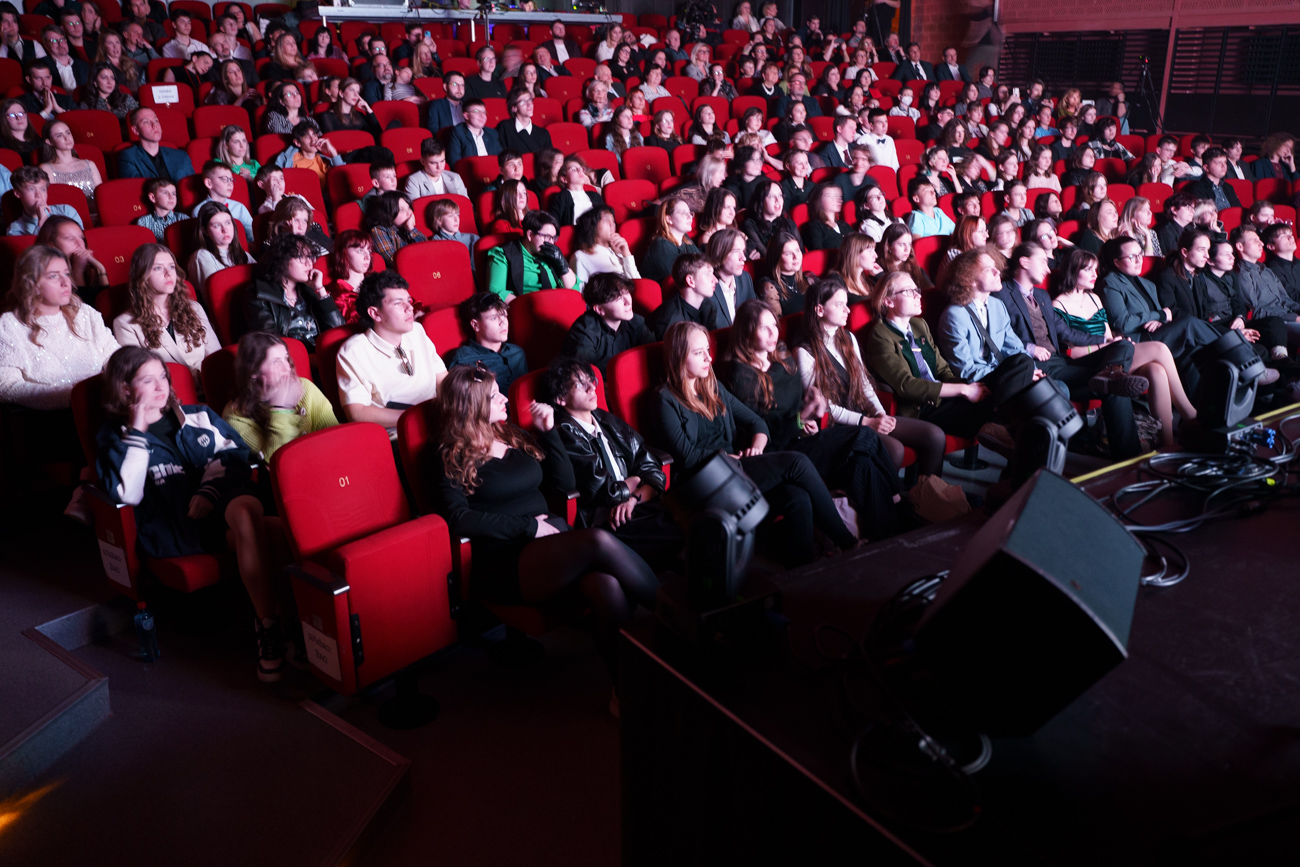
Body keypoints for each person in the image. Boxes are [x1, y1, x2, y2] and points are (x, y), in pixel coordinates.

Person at [431, 363, 658, 699]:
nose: (504, 399)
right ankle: (675, 616)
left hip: (549, 545)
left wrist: (549, 432)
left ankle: (626, 694)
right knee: (598, 540)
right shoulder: (451, 455)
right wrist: (528, 527)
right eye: (494, 397)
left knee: (605, 585)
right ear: (471, 406)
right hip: (505, 559)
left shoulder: (509, 434)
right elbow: (458, 518)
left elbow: (564, 484)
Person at [95, 346, 290, 681]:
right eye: (147, 380)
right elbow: (127, 493)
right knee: (281, 534)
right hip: (175, 527)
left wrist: (209, 490)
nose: (161, 386)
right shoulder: (116, 436)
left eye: (163, 377)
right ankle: (288, 628)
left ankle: (269, 627)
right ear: (125, 389)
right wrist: (138, 429)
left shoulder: (198, 415)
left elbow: (238, 456)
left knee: (247, 510)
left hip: (223, 507)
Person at [650, 319, 858, 564]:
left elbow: (757, 423)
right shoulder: (665, 399)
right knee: (796, 462)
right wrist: (729, 458)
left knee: (797, 496)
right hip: (705, 482)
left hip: (735, 470)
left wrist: (757, 449)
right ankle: (849, 544)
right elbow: (688, 457)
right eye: (698, 353)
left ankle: (801, 572)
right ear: (679, 357)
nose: (708, 358)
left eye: (707, 350)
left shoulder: (714, 388)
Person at [718, 299, 906, 540]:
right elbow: (760, 431)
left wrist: (806, 415)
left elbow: (794, 408)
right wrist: (801, 418)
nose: (773, 332)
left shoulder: (782, 357)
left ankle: (888, 538)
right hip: (777, 455)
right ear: (746, 333)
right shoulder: (739, 376)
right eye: (764, 327)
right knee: (865, 436)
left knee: (863, 465)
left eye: (774, 325)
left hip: (801, 440)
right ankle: (899, 500)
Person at [995, 241, 1148, 455]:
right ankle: (1130, 456)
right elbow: (997, 337)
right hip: (1038, 367)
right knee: (1115, 387)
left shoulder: (1041, 295)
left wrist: (1106, 342)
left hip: (1061, 363)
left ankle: (1112, 373)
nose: (1048, 269)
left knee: (1122, 347)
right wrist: (1029, 348)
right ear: (1024, 262)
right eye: (1043, 262)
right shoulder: (1001, 294)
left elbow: (1067, 333)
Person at [796, 276, 955, 477]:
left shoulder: (847, 338)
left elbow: (864, 384)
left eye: (846, 304)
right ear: (820, 310)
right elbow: (826, 407)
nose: (848, 310)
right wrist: (866, 422)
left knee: (934, 436)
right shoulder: (804, 352)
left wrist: (880, 414)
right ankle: (888, 496)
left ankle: (927, 493)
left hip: (866, 414)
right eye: (839, 305)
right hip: (839, 426)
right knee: (894, 449)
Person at [1054, 249, 1203, 450]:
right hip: (1088, 363)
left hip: (1111, 355)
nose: (1094, 274)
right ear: (1073, 271)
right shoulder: (1058, 305)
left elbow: (1108, 335)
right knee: (1158, 349)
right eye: (1088, 269)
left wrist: (1118, 342)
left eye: (1095, 269)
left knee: (1156, 370)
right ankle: (1190, 414)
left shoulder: (1094, 298)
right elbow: (1071, 353)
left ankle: (1167, 443)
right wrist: (1108, 345)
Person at [866, 269, 1015, 457]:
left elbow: (943, 369)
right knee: (1003, 406)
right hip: (921, 407)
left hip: (946, 396)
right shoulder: (880, 335)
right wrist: (963, 390)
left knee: (1017, 365)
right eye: (909, 291)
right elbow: (906, 385)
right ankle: (1005, 434)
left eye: (917, 290)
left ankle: (1004, 433)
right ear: (888, 301)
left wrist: (969, 388)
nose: (918, 295)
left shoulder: (920, 325)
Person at [0, 244, 118, 411]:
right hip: (51, 417)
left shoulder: (84, 313)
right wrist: (72, 397)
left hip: (103, 407)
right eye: (54, 276)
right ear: (32, 283)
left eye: (67, 274)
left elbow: (114, 356)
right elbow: (6, 386)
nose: (65, 282)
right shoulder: (9, 325)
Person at [1100, 236, 1219, 396]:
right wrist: (1160, 315)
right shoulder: (1110, 283)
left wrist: (1159, 320)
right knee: (1189, 323)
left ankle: (1198, 405)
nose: (1139, 260)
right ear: (1116, 262)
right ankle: (1233, 352)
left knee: (1192, 351)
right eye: (1132, 257)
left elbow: (1162, 317)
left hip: (1156, 333)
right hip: (1136, 341)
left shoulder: (1147, 284)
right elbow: (1123, 323)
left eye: (1140, 254)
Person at [336, 270, 446, 438]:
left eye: (408, 300)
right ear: (375, 313)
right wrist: (416, 418)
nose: (410, 308)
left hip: (440, 424)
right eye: (398, 303)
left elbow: (443, 381)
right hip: (400, 436)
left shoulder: (417, 331)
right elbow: (356, 412)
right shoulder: (353, 351)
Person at [112, 240, 220, 392]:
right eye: (158, 268)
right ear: (142, 275)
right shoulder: (125, 324)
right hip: (169, 395)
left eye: (171, 267)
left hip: (211, 387)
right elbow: (142, 378)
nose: (168, 273)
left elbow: (216, 357)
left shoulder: (194, 308)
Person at [244, 233, 342, 353]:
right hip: (292, 359)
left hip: (322, 355)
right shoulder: (259, 294)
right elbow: (270, 344)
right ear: (281, 260)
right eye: (300, 256)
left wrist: (320, 290)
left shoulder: (310, 291)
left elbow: (338, 331)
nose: (309, 263)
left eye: (310, 257)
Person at [560, 272, 655, 374]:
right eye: (618, 298)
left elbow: (654, 355)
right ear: (600, 309)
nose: (628, 302)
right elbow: (586, 377)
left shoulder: (636, 321)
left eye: (626, 292)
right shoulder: (584, 331)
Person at [441, 290, 526, 391]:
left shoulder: (517, 352)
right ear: (475, 325)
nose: (503, 322)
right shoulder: (463, 360)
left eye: (504, 315)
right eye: (494, 318)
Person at [1232, 224, 1300, 347]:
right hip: (1273, 323)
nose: (1261, 244)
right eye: (1255, 241)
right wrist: (1293, 317)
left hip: (1287, 316)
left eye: (1260, 240)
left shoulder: (1266, 270)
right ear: (1240, 246)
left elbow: (1286, 300)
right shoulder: (1242, 274)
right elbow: (1256, 312)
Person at [485, 210, 576, 301]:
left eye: (553, 238)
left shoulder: (552, 253)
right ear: (530, 235)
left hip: (559, 301)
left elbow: (573, 287)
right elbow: (496, 291)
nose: (551, 243)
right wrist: (526, 305)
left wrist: (562, 263)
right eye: (547, 237)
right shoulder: (503, 254)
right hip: (527, 305)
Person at [647, 253, 723, 339]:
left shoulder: (709, 306)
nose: (716, 280)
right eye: (708, 274)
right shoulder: (671, 320)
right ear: (690, 281)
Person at [570, 205, 640, 289]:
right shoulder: (581, 256)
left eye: (613, 221)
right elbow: (580, 292)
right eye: (606, 220)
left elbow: (638, 285)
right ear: (592, 226)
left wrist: (626, 254)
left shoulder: (618, 252)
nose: (612, 224)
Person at [117, 108, 194, 181]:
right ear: (136, 130)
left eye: (156, 120)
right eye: (146, 122)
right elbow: (134, 187)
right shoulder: (128, 157)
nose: (154, 125)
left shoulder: (181, 156)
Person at [37, 119, 100, 204]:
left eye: (68, 133)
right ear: (49, 142)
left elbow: (101, 196)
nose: (67, 138)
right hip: (66, 212)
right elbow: (52, 201)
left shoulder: (90, 164)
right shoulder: (46, 169)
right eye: (59, 135)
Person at [706, 228, 758, 327]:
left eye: (743, 251)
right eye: (736, 251)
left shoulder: (745, 278)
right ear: (719, 253)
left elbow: (754, 316)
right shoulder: (705, 287)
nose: (743, 258)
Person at [642, 197, 702, 283]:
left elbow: (702, 262)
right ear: (669, 219)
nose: (690, 217)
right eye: (683, 213)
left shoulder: (685, 239)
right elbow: (679, 280)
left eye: (690, 213)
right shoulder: (661, 245)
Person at [6, 166, 80, 236]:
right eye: (31, 189)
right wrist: (42, 221)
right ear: (17, 193)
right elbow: (36, 246)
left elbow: (81, 240)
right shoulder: (15, 229)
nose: (38, 195)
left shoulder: (66, 211)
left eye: (43, 189)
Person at [324, 229, 378, 325]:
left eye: (369, 250)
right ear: (344, 253)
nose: (367, 257)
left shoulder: (377, 282)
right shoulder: (336, 293)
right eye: (360, 250)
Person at [364, 191, 427, 267]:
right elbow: (393, 260)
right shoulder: (378, 231)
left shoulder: (408, 228)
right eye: (402, 210)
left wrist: (411, 229)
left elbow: (427, 250)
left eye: (409, 207)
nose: (409, 213)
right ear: (388, 213)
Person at [402, 138, 468, 200]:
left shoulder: (455, 177)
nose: (439, 167)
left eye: (442, 161)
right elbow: (414, 207)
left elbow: (466, 204)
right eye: (433, 163)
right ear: (422, 161)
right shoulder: (414, 181)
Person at [550, 155, 605, 227]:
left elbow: (605, 218)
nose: (580, 171)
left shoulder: (595, 196)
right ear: (564, 179)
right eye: (573, 169)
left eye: (581, 169)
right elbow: (553, 223)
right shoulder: (562, 197)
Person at [495, 88, 551, 155]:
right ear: (514, 108)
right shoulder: (505, 127)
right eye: (523, 102)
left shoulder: (543, 134)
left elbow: (549, 159)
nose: (529, 104)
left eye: (530, 100)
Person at [448, 98, 502, 166]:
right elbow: (455, 162)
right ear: (466, 116)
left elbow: (502, 159)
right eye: (477, 112)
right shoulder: (458, 132)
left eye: (484, 112)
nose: (482, 116)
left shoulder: (492, 133)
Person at [428, 198, 479, 269]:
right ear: (439, 220)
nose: (456, 219)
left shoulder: (473, 238)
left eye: (457, 215)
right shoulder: (435, 243)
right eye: (451, 216)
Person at [802, 183, 854, 252]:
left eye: (838, 196)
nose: (837, 200)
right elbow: (817, 254)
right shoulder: (815, 226)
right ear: (818, 200)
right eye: (829, 196)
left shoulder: (844, 225)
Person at [1263, 222, 1300, 303]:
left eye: (1290, 234)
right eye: (1283, 236)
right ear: (1271, 246)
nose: (1291, 237)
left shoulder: (1298, 263)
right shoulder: (1272, 270)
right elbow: (1291, 296)